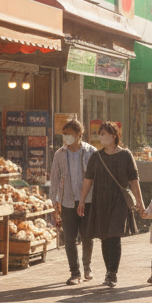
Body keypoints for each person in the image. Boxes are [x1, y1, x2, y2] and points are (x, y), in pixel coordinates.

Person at [77, 122, 144, 288]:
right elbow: (88, 180)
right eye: (100, 134)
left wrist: (140, 202)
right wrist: (82, 200)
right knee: (105, 237)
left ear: (114, 136)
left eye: (105, 133)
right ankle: (109, 271)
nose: (101, 137)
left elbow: (134, 180)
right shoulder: (96, 157)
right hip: (101, 200)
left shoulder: (126, 155)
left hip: (119, 200)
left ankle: (113, 272)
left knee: (114, 235)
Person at [48, 118, 96, 285]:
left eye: (70, 134)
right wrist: (54, 199)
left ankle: (87, 267)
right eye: (64, 134)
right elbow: (54, 177)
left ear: (79, 135)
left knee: (87, 236)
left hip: (88, 200)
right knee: (69, 237)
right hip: (67, 200)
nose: (66, 137)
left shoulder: (91, 152)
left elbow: (96, 177)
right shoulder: (60, 154)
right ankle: (74, 272)